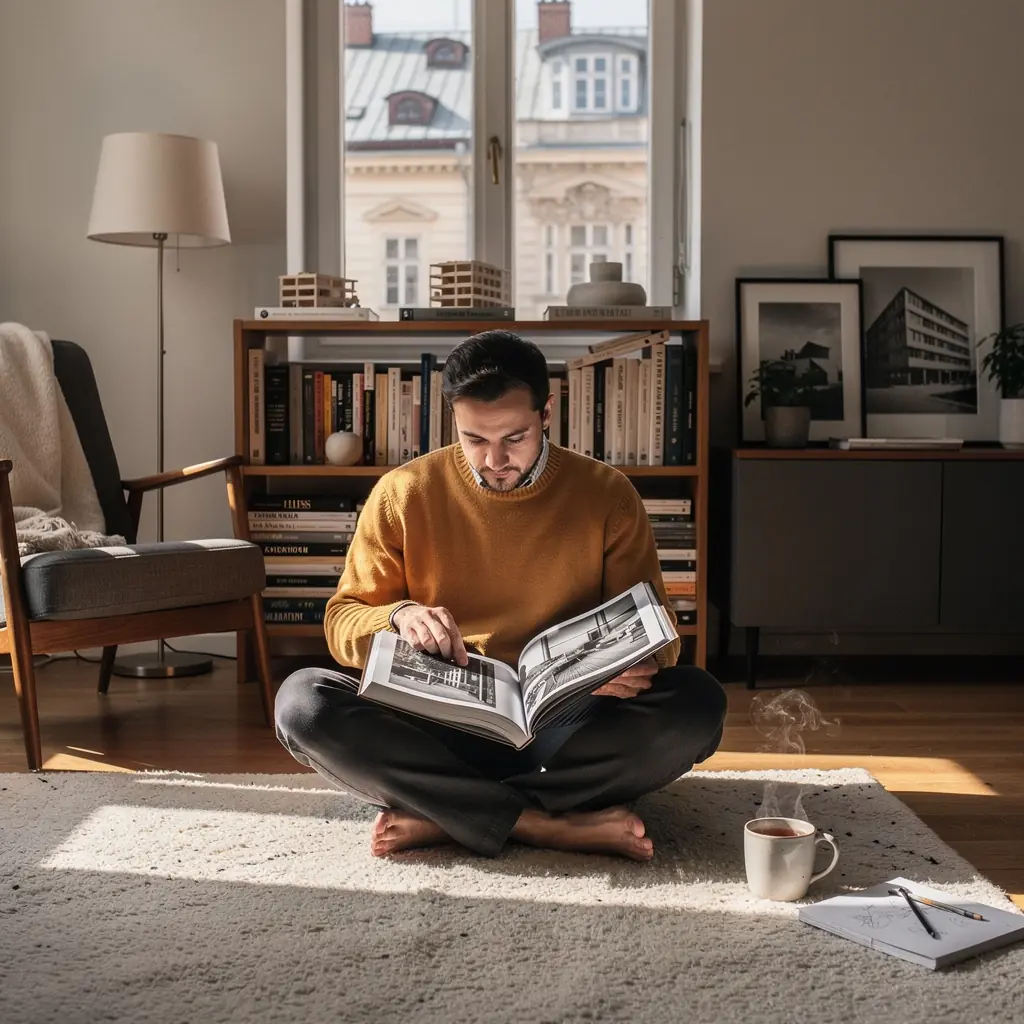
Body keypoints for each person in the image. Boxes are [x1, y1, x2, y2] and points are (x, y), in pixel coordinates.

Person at [274, 329, 727, 862]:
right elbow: (342, 624)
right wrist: (399, 618)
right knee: (303, 703)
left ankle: (448, 812)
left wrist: (629, 663)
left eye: (514, 438)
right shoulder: (403, 493)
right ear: (454, 423)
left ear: (547, 413)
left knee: (698, 702)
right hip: (437, 722)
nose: (493, 460)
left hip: (565, 728)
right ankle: (544, 823)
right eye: (474, 440)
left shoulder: (606, 495)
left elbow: (660, 633)